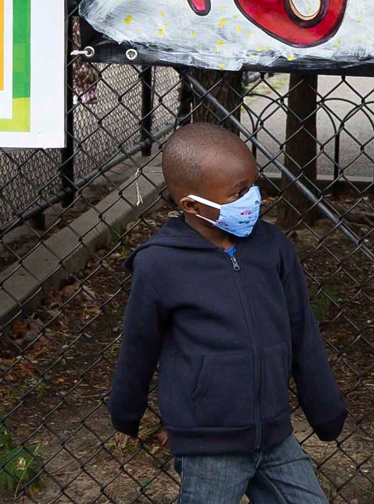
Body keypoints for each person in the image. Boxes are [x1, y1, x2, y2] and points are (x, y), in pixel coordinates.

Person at [108, 122, 346, 504]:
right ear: (191, 205)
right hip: (209, 445)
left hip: (274, 436)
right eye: (238, 193)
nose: (253, 198)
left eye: (253, 186)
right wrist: (126, 412)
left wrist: (325, 408)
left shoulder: (273, 247)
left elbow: (303, 333)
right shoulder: (159, 264)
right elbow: (139, 346)